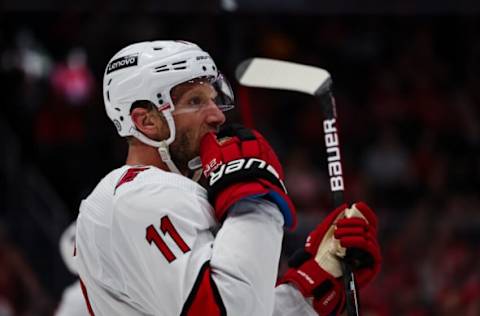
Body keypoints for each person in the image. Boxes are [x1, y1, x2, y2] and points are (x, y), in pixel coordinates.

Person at [75, 40, 381, 315]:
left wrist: (315, 285)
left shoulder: (152, 195)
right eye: (195, 101)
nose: (218, 116)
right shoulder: (139, 195)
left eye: (214, 98)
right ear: (147, 122)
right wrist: (255, 198)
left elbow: (242, 307)